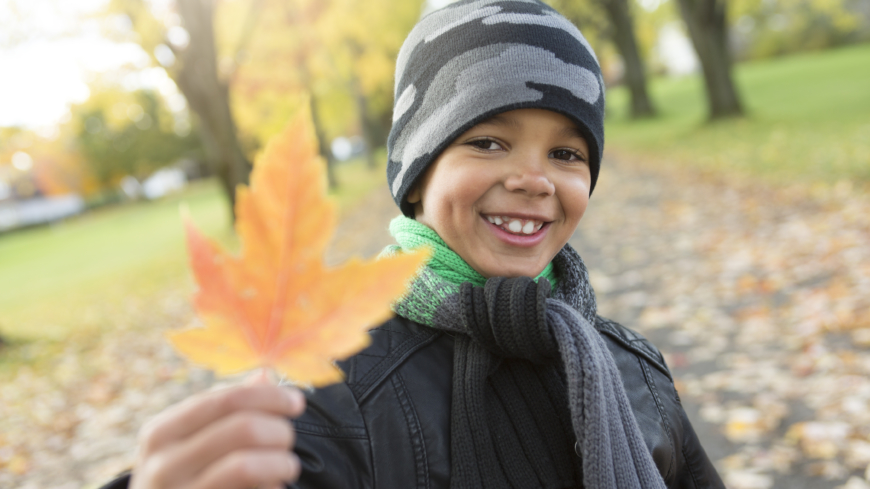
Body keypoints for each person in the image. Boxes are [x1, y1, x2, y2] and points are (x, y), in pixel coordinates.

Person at [103, 1, 725, 488]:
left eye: (565, 154)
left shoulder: (629, 370)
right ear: (418, 174)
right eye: (488, 142)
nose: (533, 180)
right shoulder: (333, 390)